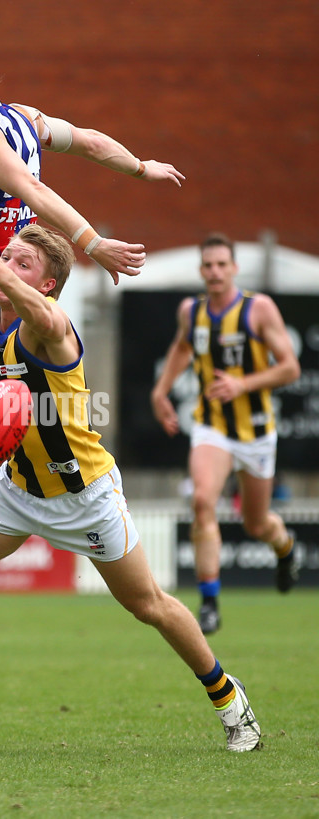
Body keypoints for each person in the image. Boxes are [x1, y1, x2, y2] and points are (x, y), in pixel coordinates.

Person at [0, 223, 262, 753]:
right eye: (7, 256)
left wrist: (1, 272)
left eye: (23, 264)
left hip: (84, 496)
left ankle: (229, 698)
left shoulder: (51, 326)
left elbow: (45, 315)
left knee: (149, 605)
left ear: (46, 286)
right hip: (15, 491)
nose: (6, 265)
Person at [0, 25, 185, 526]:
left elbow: (32, 191)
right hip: (29, 297)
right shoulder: (25, 119)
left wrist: (93, 243)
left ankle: (21, 463)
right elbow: (91, 142)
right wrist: (141, 167)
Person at [150, 233, 301, 634]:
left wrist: (242, 384)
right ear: (201, 271)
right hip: (211, 425)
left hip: (254, 431)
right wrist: (161, 390)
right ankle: (210, 601)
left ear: (234, 268)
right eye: (208, 265)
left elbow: (290, 368)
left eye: (222, 264)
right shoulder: (191, 312)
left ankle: (285, 549)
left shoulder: (259, 309)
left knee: (256, 524)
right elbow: (182, 348)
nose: (215, 272)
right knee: (203, 501)